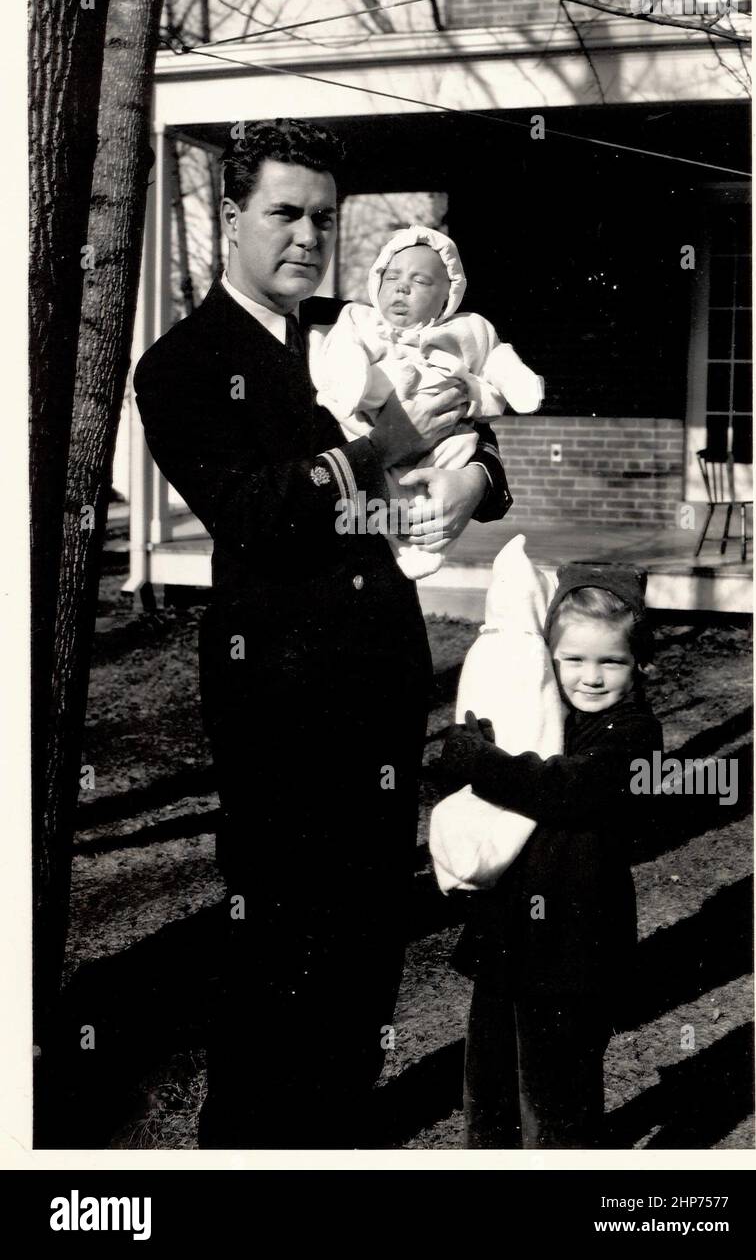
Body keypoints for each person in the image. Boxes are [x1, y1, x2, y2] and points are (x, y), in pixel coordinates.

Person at [132, 118, 513, 1148]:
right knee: (277, 930)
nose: (306, 236)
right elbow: (254, 511)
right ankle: (249, 1137)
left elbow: (470, 426)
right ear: (231, 218)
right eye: (283, 212)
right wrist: (383, 445)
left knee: (363, 936)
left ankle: (342, 1128)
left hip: (381, 671)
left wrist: (473, 478)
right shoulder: (181, 365)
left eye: (323, 217)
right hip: (279, 688)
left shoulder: (357, 327)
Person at [439, 562, 663, 1149]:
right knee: (488, 1083)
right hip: (508, 933)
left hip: (576, 948)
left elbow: (565, 788)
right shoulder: (539, 717)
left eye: (611, 661)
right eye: (574, 659)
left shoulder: (636, 735)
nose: (591, 677)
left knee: (556, 1094)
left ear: (639, 663)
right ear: (548, 658)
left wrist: (477, 762)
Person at [309, 224, 543, 579]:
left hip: (447, 437)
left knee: (450, 460)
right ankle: (404, 539)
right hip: (366, 432)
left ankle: (422, 540)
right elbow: (342, 354)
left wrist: (475, 482)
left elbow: (494, 357)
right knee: (392, 490)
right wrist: (385, 441)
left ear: (447, 297)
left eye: (420, 281)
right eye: (393, 277)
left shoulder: (468, 328)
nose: (402, 287)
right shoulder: (357, 321)